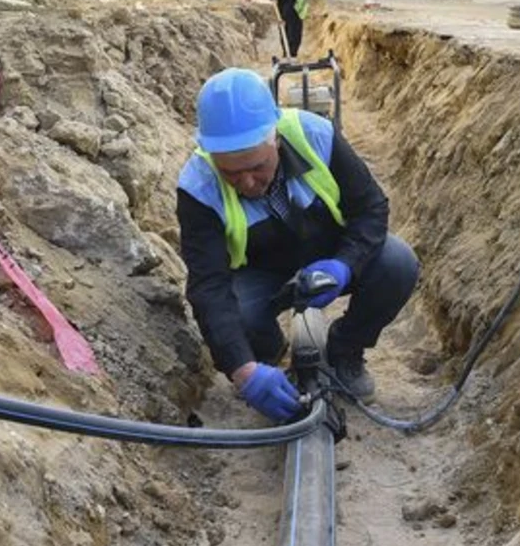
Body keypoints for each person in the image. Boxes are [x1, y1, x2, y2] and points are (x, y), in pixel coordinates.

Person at [177, 68, 419, 422]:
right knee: (239, 314)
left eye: (257, 167)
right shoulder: (197, 187)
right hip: (259, 271)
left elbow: (371, 208)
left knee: (397, 263)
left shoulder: (316, 136)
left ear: (274, 137)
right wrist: (244, 370)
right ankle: (271, 357)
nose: (247, 181)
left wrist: (344, 265)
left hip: (328, 253)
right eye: (231, 173)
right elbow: (207, 285)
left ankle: (346, 350)